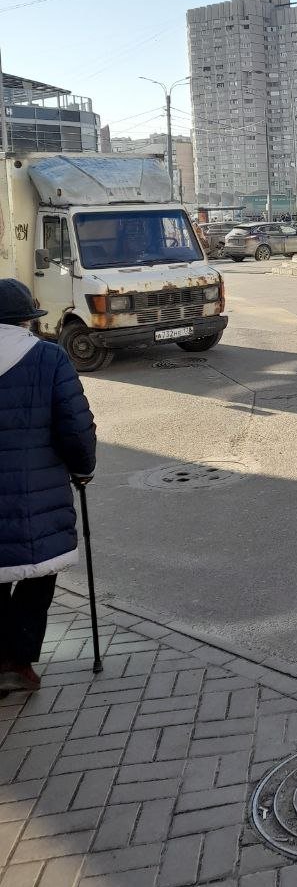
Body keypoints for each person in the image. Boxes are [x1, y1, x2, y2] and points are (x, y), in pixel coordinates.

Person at [0, 280, 96, 693]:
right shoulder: (49, 358)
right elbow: (74, 426)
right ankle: (18, 660)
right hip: (34, 496)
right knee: (39, 573)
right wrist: (83, 468)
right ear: (26, 319)